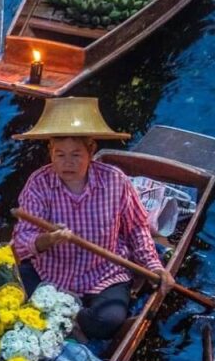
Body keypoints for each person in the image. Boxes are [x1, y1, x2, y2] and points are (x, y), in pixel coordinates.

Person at [11, 97, 174, 342]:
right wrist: (48, 240)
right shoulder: (38, 183)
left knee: (107, 321)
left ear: (91, 150)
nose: (68, 163)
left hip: (103, 272)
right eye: (60, 154)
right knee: (10, 292)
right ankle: (67, 314)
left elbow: (137, 229)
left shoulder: (114, 180)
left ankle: (66, 315)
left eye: (76, 154)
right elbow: (21, 240)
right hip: (52, 272)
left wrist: (154, 267)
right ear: (50, 153)